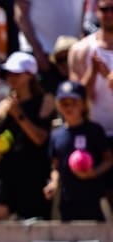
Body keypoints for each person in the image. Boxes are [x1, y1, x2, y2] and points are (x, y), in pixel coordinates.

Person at [0, 52, 54, 224]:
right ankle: (12, 213)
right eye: (9, 73)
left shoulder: (45, 101)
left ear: (30, 75)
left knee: (35, 222)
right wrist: (4, 118)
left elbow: (39, 139)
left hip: (34, 169)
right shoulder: (4, 105)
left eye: (17, 73)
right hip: (8, 170)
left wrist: (18, 115)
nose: (11, 78)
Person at [44, 80, 113, 221]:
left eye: (74, 102)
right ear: (58, 105)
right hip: (67, 200)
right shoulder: (56, 135)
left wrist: (93, 172)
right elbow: (56, 166)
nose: (69, 108)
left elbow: (108, 159)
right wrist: (53, 183)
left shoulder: (94, 131)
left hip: (94, 199)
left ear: (83, 104)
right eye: (64, 103)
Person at [69, 0, 113, 209]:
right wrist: (93, 73)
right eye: (105, 8)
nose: (109, 14)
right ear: (96, 11)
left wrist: (108, 75)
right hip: (92, 134)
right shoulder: (81, 50)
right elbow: (75, 99)